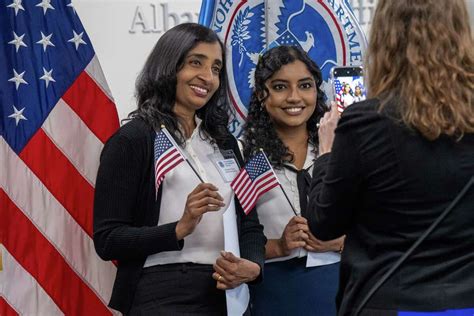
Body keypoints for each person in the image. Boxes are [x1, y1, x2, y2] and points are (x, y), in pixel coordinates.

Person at [307, 0, 474, 314]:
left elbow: (324, 223)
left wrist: (326, 153)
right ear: (460, 34)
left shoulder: (365, 122)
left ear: (385, 38)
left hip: (390, 300)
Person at [93, 23, 265, 315]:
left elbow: (249, 223)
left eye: (215, 68)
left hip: (229, 294)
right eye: (196, 62)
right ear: (169, 66)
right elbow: (108, 239)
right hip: (162, 292)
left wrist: (253, 266)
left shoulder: (225, 143)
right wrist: (178, 228)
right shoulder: (133, 140)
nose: (207, 77)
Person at [241, 45, 344, 315]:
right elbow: (226, 240)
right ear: (262, 95)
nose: (294, 97)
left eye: (305, 85)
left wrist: (340, 242)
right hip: (272, 292)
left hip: (340, 288)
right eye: (280, 87)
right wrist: (278, 245)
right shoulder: (244, 157)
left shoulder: (341, 150)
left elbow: (382, 228)